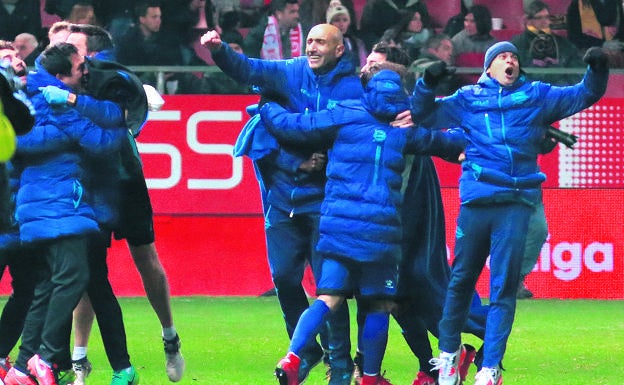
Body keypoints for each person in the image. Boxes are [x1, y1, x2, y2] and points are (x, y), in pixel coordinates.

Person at [410, 41, 608, 385]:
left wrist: (597, 68)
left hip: (515, 205)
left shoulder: (536, 95)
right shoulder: (468, 98)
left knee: (502, 289)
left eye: (514, 56)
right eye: (502, 56)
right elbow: (424, 115)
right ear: (489, 67)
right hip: (476, 202)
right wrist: (427, 82)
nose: (509, 59)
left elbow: (583, 95)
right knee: (459, 283)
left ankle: (490, 368)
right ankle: (448, 355)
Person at [261, 61, 466, 385]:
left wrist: (267, 107)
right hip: (380, 233)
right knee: (378, 305)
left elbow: (293, 126)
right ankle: (369, 376)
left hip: (339, 229)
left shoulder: (345, 114)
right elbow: (445, 144)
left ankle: (294, 354)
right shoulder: (405, 129)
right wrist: (471, 141)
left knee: (327, 299)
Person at [201, 23, 361, 385]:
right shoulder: (291, 72)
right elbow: (249, 69)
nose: (313, 48)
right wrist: (220, 51)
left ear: (339, 50)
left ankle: (339, 365)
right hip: (283, 199)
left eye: (321, 42)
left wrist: (296, 132)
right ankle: (306, 350)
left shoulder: (352, 87)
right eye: (310, 42)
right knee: (284, 278)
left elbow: (347, 135)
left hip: (327, 201)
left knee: (329, 288)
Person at [63, 22, 185, 384]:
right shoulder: (66, 83)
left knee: (145, 259)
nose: (67, 52)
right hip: (89, 186)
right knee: (90, 272)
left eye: (74, 46)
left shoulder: (116, 82)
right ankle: (80, 358)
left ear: (94, 54)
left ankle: (170, 338)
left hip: (126, 181)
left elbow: (123, 125)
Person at [2, 42, 127, 385]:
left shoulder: (51, 95)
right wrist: (69, 126)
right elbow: (21, 141)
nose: (85, 70)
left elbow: (113, 120)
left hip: (46, 206)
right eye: (78, 66)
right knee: (71, 276)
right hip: (51, 206)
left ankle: (22, 366)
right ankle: (42, 355)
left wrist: (75, 105)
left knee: (45, 284)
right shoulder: (37, 99)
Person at [0, 40, 34, 382]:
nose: (14, 62)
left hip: (23, 218)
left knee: (28, 290)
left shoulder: (27, 101)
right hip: (6, 215)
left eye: (16, 56)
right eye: (5, 58)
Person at [511, 0, 585, 86]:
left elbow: (577, 68)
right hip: (531, 92)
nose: (544, 21)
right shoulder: (519, 43)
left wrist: (565, 86)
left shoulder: (562, 43)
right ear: (529, 20)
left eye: (547, 17)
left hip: (560, 91)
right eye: (539, 18)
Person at [359, 0, 429, 51]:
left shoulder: (418, 4)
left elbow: (425, 27)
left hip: (413, 46)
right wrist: (381, 45)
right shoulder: (375, 4)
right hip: (382, 46)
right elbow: (367, 32)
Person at [326, 0, 367, 69]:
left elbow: (363, 65)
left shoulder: (356, 43)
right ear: (330, 23)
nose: (341, 24)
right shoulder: (325, 43)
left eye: (345, 20)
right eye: (337, 20)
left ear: (349, 22)